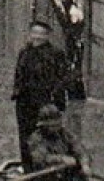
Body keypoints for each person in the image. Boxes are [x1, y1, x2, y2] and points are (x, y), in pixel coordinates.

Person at [11, 20, 68, 169]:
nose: (37, 37)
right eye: (35, 33)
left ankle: (44, 167)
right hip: (25, 102)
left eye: (41, 34)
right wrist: (17, 92)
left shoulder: (56, 54)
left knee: (45, 136)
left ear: (48, 36)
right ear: (30, 34)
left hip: (44, 103)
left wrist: (58, 104)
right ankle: (27, 168)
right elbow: (19, 75)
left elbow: (61, 80)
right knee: (25, 137)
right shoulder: (24, 52)